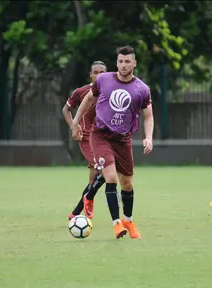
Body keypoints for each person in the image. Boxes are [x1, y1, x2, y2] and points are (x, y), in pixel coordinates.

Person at [71, 45, 154, 239]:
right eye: (120, 61)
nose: (123, 65)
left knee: (127, 184)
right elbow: (88, 99)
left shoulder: (142, 89)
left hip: (123, 139)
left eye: (127, 61)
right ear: (116, 63)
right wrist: (76, 121)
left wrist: (148, 137)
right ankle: (117, 225)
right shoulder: (103, 80)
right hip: (100, 135)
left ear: (134, 63)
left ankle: (128, 220)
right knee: (111, 178)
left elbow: (148, 116)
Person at [62, 61, 107, 220]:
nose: (99, 75)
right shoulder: (82, 92)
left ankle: (76, 212)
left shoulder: (111, 91)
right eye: (95, 72)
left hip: (104, 139)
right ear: (90, 74)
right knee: (104, 170)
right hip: (87, 138)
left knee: (94, 178)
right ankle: (86, 204)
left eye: (102, 72)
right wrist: (73, 126)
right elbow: (66, 109)